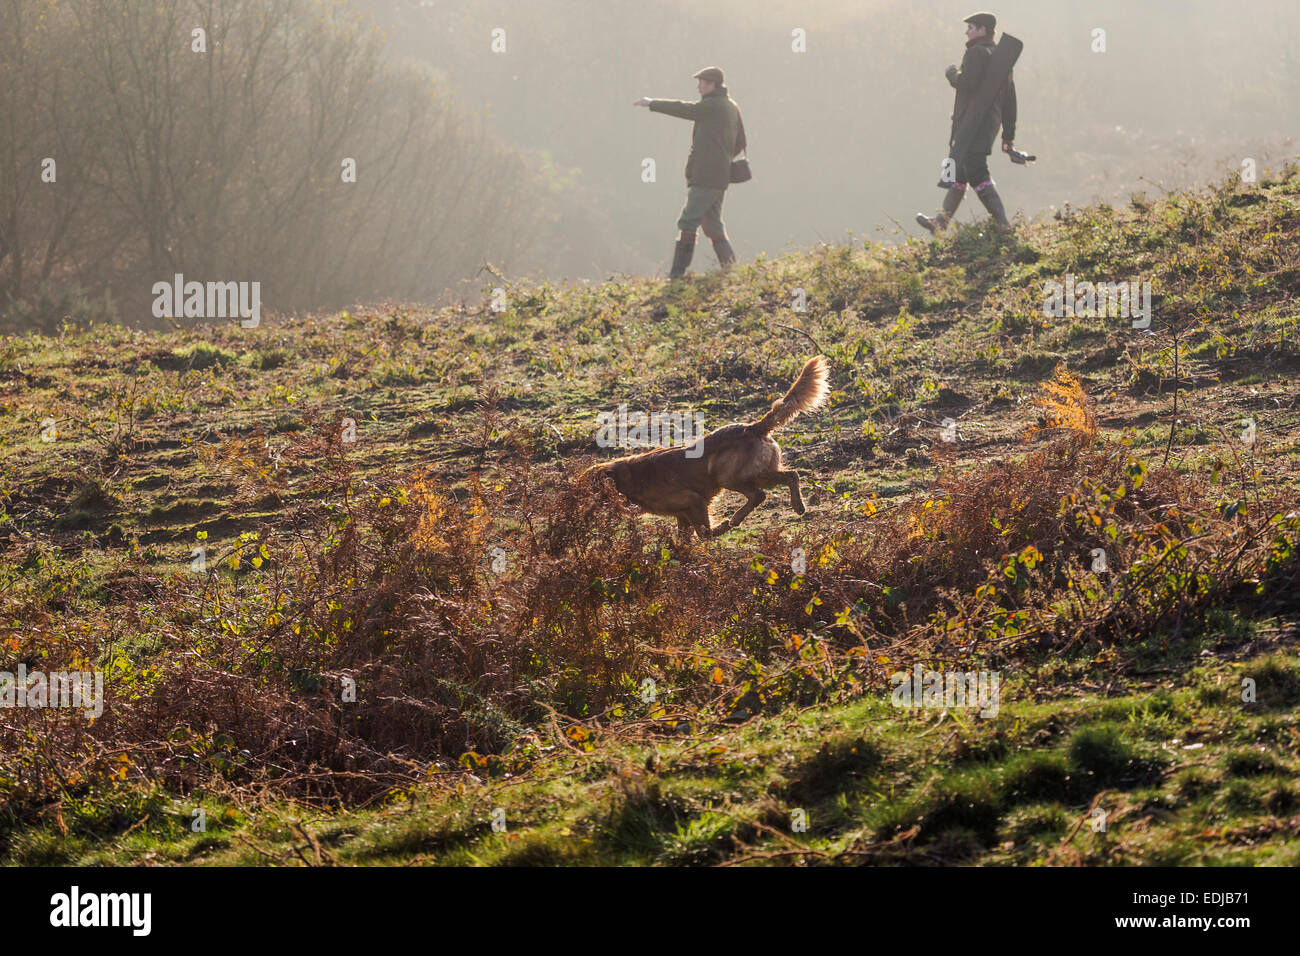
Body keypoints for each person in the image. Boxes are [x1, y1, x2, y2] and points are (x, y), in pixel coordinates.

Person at [635, 67, 745, 277]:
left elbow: (684, 109)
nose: (699, 86)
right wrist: (722, 157)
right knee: (713, 225)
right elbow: (740, 142)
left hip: (706, 176)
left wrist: (652, 103)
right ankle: (732, 271)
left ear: (713, 84)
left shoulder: (712, 105)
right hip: (719, 176)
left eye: (702, 82)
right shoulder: (731, 106)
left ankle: (676, 275)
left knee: (688, 221)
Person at [917, 11, 1017, 234]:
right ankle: (940, 222)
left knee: (976, 170)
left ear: (983, 30)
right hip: (989, 125)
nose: (967, 31)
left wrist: (951, 73)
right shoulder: (1001, 57)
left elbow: (967, 83)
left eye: (971, 27)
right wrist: (1008, 135)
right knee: (960, 169)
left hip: (973, 126)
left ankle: (1003, 226)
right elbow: (1010, 99)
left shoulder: (976, 53)